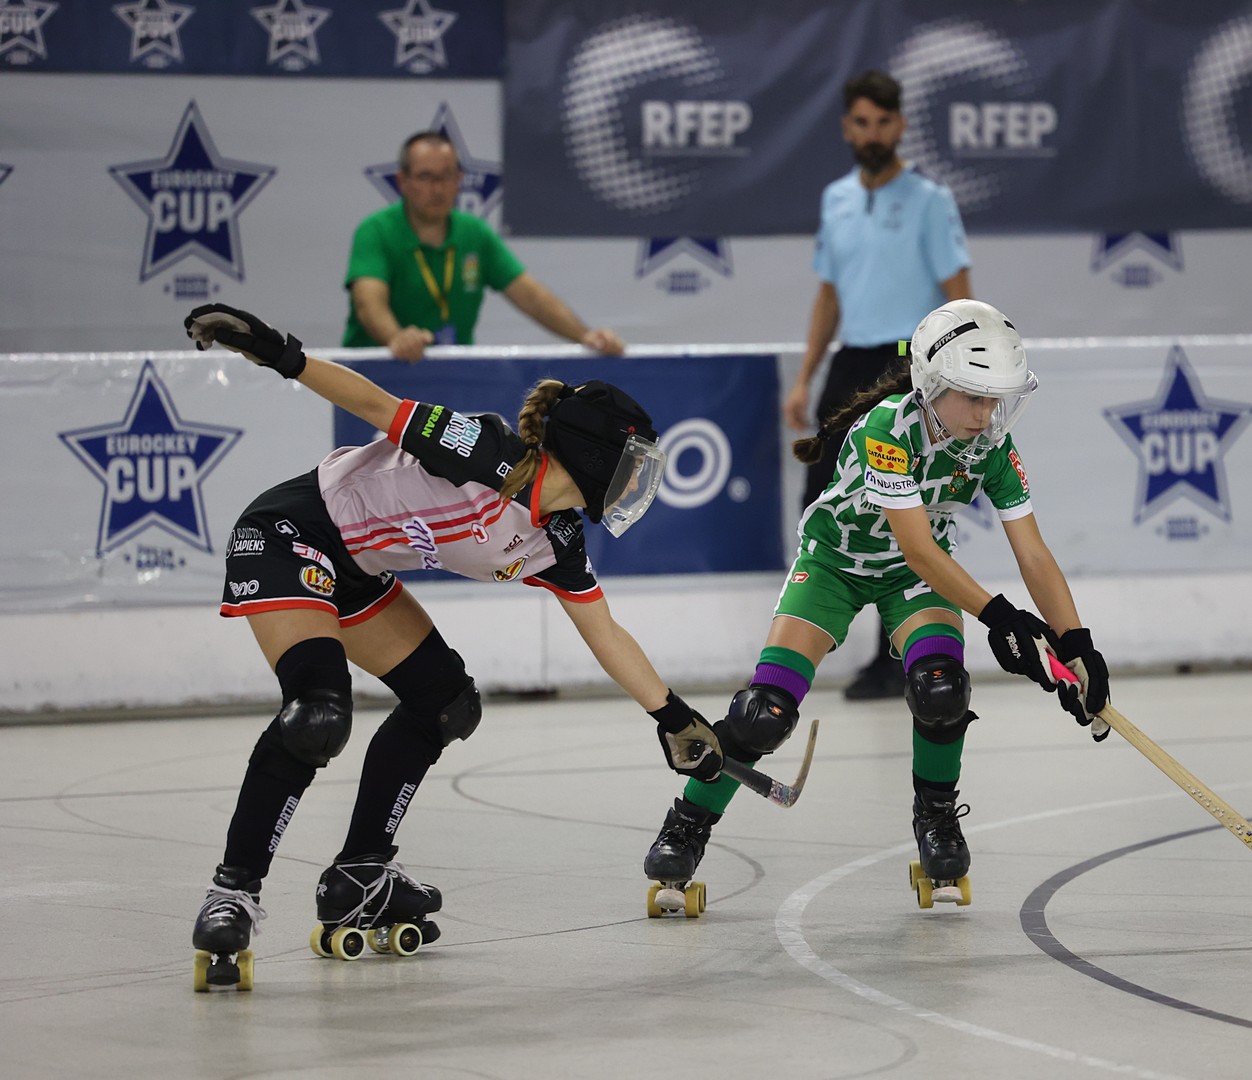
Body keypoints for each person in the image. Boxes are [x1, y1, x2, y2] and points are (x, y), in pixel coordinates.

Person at [181, 302, 722, 988]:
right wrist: (278, 353)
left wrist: (672, 718)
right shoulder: (485, 451)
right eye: (633, 465)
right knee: (318, 714)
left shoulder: (555, 540)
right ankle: (232, 893)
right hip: (291, 534)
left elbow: (605, 631)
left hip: (357, 570)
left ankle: (361, 871)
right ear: (593, 455)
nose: (639, 484)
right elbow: (375, 405)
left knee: (445, 702)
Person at [641, 299, 1110, 913]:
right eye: (974, 397)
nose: (986, 414)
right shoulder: (886, 430)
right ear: (931, 385)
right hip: (835, 565)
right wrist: (1002, 618)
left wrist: (1077, 644)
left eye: (996, 398)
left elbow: (1034, 554)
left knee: (941, 688)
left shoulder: (992, 446)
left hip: (912, 580)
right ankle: (687, 825)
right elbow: (918, 547)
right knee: (763, 714)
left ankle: (936, 818)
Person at [784, 70, 973, 701]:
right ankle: (805, 641)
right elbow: (828, 296)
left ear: (900, 126)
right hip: (849, 366)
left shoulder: (930, 200)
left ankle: (900, 653)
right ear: (847, 127)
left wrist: (957, 374)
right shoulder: (836, 198)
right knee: (828, 500)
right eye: (861, 123)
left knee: (903, 508)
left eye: (883, 123)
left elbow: (958, 294)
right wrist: (805, 378)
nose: (872, 134)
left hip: (906, 362)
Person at [343, 131, 624, 362]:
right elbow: (368, 304)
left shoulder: (474, 232)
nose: (437, 189)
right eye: (425, 177)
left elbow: (531, 296)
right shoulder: (376, 231)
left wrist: (585, 336)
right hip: (377, 373)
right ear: (402, 181)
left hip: (452, 372)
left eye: (446, 176)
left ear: (459, 180)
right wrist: (397, 338)